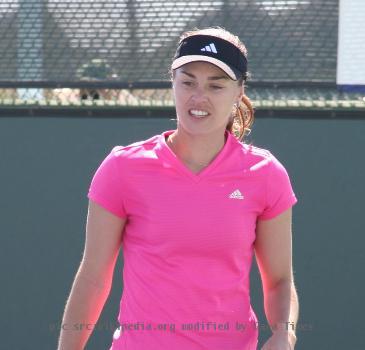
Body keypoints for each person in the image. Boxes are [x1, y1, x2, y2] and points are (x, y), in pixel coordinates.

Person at [57, 27, 299, 350]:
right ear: (172, 82)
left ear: (239, 91)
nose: (199, 97)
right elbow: (93, 277)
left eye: (216, 85)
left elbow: (280, 281)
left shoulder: (267, 175)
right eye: (188, 82)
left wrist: (284, 333)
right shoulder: (121, 168)